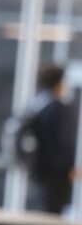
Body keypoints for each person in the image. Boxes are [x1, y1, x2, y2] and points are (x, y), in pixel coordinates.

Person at [26, 65, 77, 214]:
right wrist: (69, 167)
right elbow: (63, 141)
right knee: (52, 213)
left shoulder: (38, 105)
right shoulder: (58, 108)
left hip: (40, 169)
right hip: (57, 172)